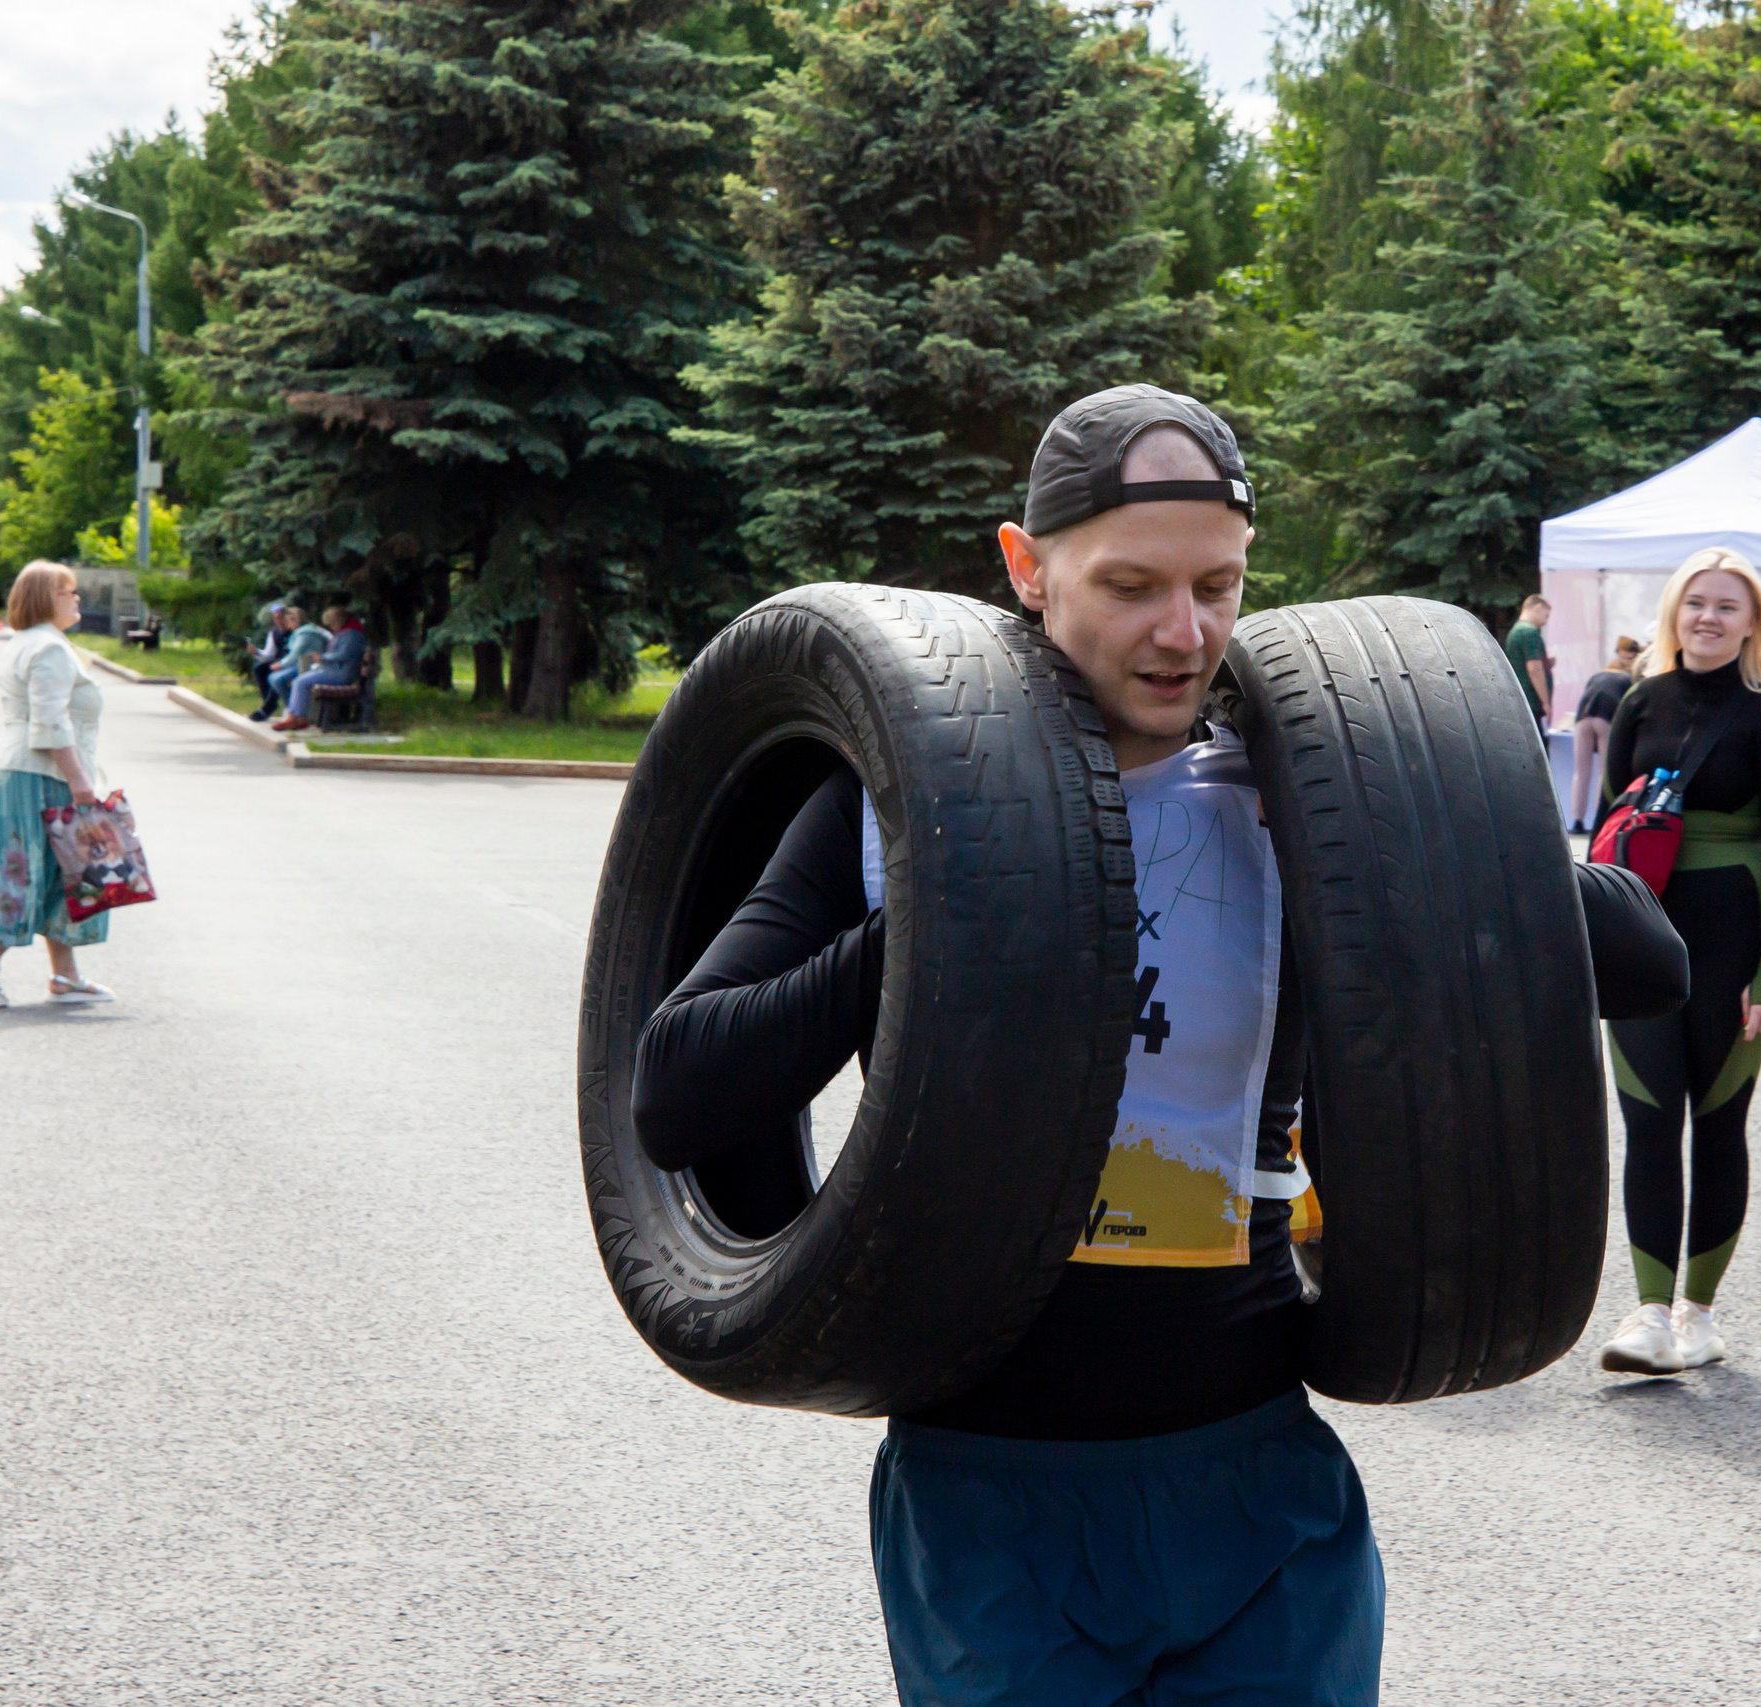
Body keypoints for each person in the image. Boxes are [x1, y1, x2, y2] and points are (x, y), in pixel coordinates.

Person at [630, 385, 1687, 1704]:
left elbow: (1650, 963)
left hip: (1254, 1486)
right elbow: (678, 1091)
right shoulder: (894, 810)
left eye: (1216, 586)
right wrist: (943, 917)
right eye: (1131, 586)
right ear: (1027, 569)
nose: (1182, 633)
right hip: (989, 1502)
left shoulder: (1304, 802)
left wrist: (1411, 834)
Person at [1594, 547, 1761, 1377]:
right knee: (1649, 1121)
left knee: (1719, 1126)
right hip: (1643, 942)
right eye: (1696, 603)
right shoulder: (1638, 701)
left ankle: (1700, 1313)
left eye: (1727, 605)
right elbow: (1608, 834)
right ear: (1674, 614)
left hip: (1733, 948)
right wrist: (1598, 946)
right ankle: (1649, 1311)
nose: (1708, 617)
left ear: (1753, 622)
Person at [0, 562, 115, 1007]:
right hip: (42, 774)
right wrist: (80, 781)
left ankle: (65, 975)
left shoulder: (30, 642)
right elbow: (49, 722)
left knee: (64, 874)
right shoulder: (49, 648)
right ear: (45, 598)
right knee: (31, 869)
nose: (77, 598)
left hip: (28, 771)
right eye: (68, 591)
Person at [1570, 635, 1641, 834]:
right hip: (1607, 718)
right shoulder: (1628, 679)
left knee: (1581, 772)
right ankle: (1598, 821)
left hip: (1583, 718)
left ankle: (1577, 821)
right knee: (1604, 771)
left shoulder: (1598, 675)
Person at [269, 607, 366, 732]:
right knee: (300, 680)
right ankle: (295, 717)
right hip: (336, 671)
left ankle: (296, 718)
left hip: (342, 674)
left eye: (332, 624)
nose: (331, 627)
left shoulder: (351, 635)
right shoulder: (347, 632)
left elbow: (343, 655)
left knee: (300, 682)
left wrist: (322, 657)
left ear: (338, 621)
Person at [1506, 593, 1552, 729]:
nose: (1545, 622)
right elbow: (1534, 668)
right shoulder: (1529, 632)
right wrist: (1545, 703)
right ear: (1538, 607)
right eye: (1546, 616)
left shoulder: (1517, 630)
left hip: (1523, 702)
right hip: (1532, 703)